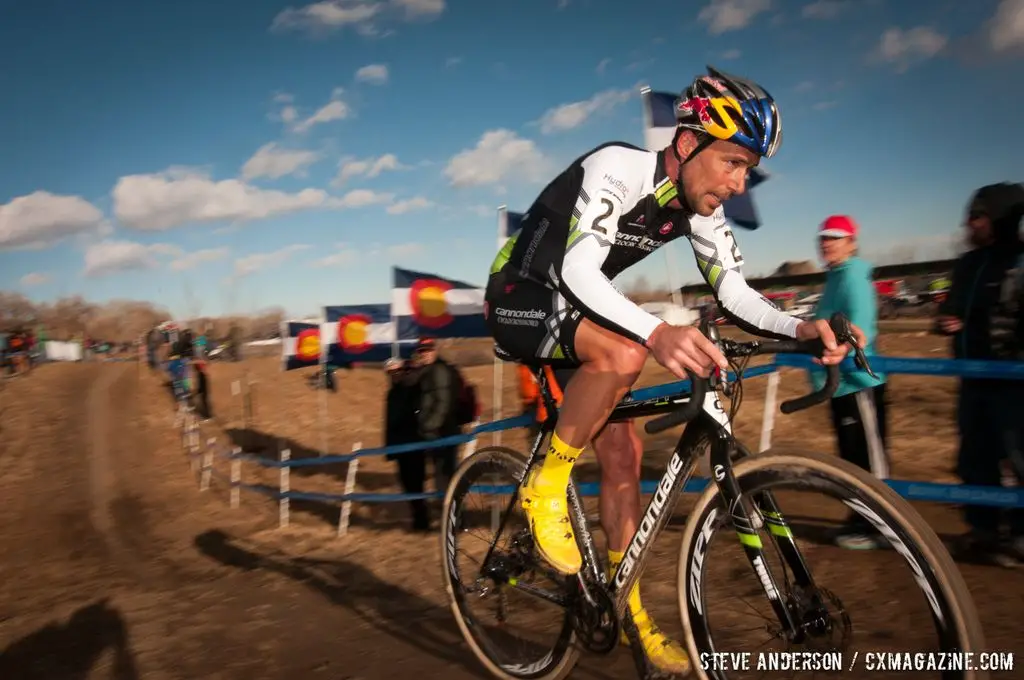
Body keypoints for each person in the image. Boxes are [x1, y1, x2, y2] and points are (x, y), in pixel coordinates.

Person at [483, 65, 864, 674]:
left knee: (624, 459)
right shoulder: (618, 167)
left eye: (748, 168)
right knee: (627, 351)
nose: (740, 183)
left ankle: (628, 613)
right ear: (687, 144)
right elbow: (580, 274)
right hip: (517, 294)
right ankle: (544, 484)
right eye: (733, 162)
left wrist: (801, 328)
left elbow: (735, 292)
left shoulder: (699, 209)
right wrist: (657, 332)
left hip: (575, 305)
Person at [935, 182, 1024, 567]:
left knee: (1019, 460)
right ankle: (982, 530)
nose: (969, 224)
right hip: (970, 381)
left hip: (1013, 386)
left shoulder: (1018, 262)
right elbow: (950, 310)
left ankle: (1020, 536)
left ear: (1001, 219)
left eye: (978, 216)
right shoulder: (968, 263)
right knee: (975, 458)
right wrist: (945, 322)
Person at [811, 215, 889, 550]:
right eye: (823, 238)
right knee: (851, 459)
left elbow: (863, 328)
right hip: (840, 384)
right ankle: (861, 522)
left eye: (835, 238)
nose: (826, 243)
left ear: (852, 243)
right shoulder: (835, 277)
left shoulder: (854, 276)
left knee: (869, 459)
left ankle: (883, 528)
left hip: (860, 382)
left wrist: (844, 347)